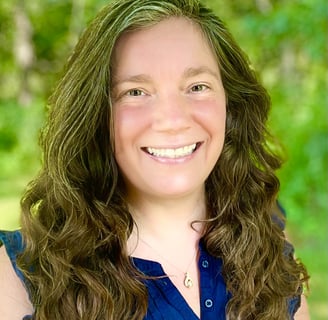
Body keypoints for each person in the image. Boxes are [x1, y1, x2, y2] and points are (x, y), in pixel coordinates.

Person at [0, 0, 310, 319]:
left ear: (230, 104)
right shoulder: (23, 275)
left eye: (197, 86)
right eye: (136, 92)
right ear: (96, 114)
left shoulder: (266, 235)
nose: (172, 120)